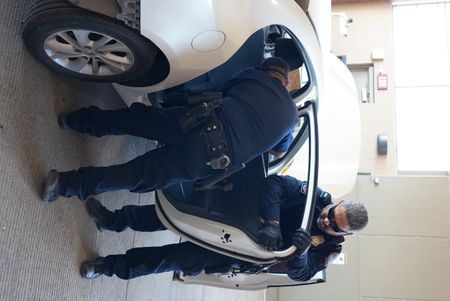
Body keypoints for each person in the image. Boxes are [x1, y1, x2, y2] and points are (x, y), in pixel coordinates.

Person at [42, 56, 297, 202]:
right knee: (136, 174)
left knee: (135, 120)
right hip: (210, 160)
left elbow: (224, 91)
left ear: (266, 70)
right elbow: (277, 152)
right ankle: (63, 184)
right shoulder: (291, 116)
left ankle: (75, 120)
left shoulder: (252, 75)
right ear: (286, 83)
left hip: (197, 120)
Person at [79, 175, 368, 281]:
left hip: (241, 253)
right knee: (164, 216)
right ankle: (111, 221)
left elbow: (301, 274)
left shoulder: (329, 250)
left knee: (170, 259)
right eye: (332, 214)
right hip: (239, 218)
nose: (326, 221)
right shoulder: (318, 197)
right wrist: (274, 223)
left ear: (344, 235)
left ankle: (109, 267)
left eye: (334, 226)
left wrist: (302, 253)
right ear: (338, 203)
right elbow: (275, 185)